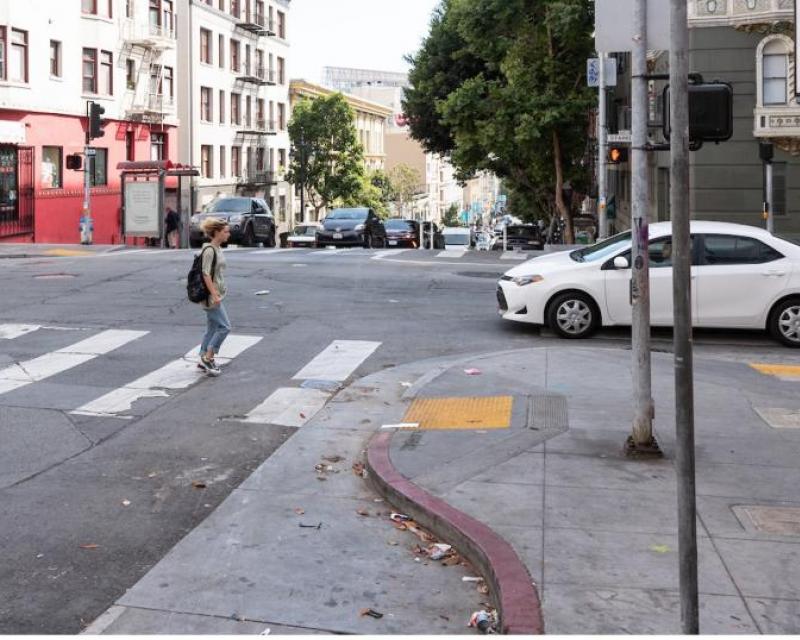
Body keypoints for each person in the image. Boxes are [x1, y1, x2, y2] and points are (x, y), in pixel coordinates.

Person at [197, 217, 231, 376]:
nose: (228, 234)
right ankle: (208, 357)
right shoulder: (209, 250)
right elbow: (205, 274)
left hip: (217, 294)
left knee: (212, 328)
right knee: (225, 327)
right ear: (216, 232)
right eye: (225, 231)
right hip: (211, 297)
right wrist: (214, 295)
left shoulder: (217, 248)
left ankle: (202, 357)